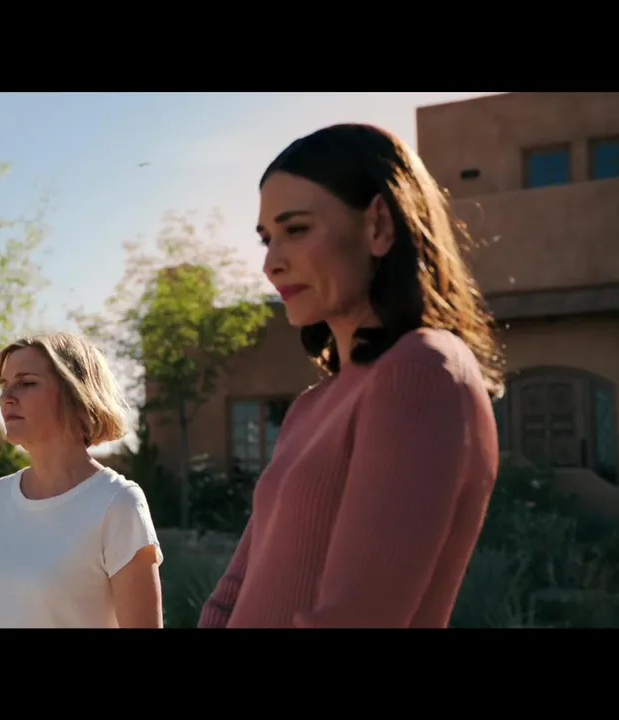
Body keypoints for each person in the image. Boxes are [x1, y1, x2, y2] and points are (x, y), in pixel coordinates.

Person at [199, 124, 504, 628]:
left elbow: (356, 615)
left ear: (379, 225)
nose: (271, 264)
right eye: (267, 239)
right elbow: (233, 592)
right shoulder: (311, 407)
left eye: (296, 230)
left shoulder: (422, 371)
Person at [0, 331, 164, 628]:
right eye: (4, 385)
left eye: (27, 383)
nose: (6, 398)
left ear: (75, 395)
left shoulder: (117, 503)